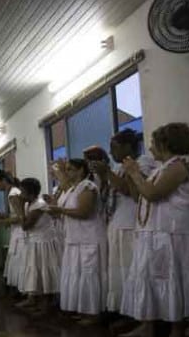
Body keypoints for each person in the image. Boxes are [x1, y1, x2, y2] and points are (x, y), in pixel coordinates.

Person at [120, 123, 189, 337]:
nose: (150, 148)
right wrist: (134, 176)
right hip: (155, 230)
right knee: (151, 277)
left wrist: (133, 172)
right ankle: (147, 325)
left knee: (175, 277)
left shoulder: (180, 164)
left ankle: (178, 331)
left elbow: (153, 193)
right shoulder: (161, 168)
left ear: (165, 143)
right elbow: (138, 193)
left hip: (174, 231)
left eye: (153, 142)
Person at [90, 130, 156, 313]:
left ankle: (138, 312)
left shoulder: (143, 162)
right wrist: (104, 177)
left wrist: (108, 173)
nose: (111, 153)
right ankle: (123, 311)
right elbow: (107, 195)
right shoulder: (120, 167)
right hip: (116, 223)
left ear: (128, 147)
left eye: (114, 148)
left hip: (131, 224)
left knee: (130, 272)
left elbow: (130, 191)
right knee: (118, 274)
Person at [46, 159, 107, 324]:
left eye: (70, 169)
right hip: (74, 237)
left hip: (89, 237)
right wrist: (55, 210)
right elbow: (64, 213)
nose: (67, 173)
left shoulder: (87, 186)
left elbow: (84, 212)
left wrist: (60, 210)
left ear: (81, 170)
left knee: (89, 273)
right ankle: (83, 309)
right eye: (66, 170)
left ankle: (94, 313)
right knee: (77, 274)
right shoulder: (72, 189)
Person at [17, 177, 62, 309]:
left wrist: (18, 207)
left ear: (30, 193)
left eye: (22, 192)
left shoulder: (39, 205)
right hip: (34, 241)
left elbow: (26, 225)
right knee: (33, 269)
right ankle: (32, 298)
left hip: (43, 242)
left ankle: (45, 302)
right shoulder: (29, 204)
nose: (20, 195)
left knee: (43, 270)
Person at [0, 170, 24, 292]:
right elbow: (14, 214)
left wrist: (2, 222)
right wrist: (1, 215)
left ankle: (23, 292)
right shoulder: (12, 192)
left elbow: (21, 217)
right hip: (16, 231)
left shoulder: (13, 194)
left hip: (21, 232)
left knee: (19, 262)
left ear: (4, 181)